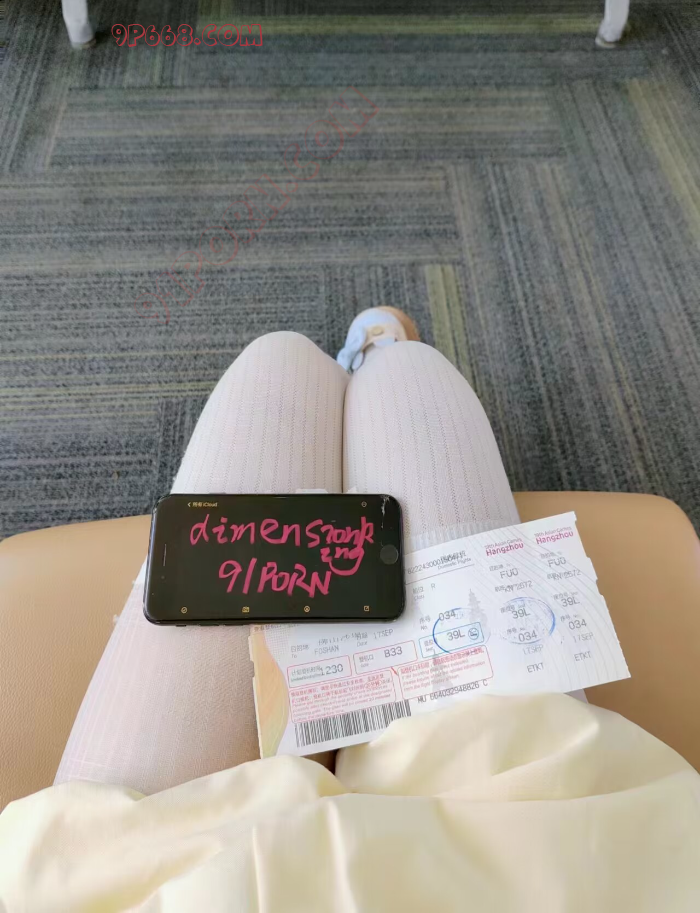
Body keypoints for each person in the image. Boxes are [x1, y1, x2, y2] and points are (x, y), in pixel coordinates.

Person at [1, 309, 699, 910]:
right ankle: (378, 353)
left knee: (279, 360)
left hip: (153, 870)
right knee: (400, 375)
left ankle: (354, 363)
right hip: (531, 848)